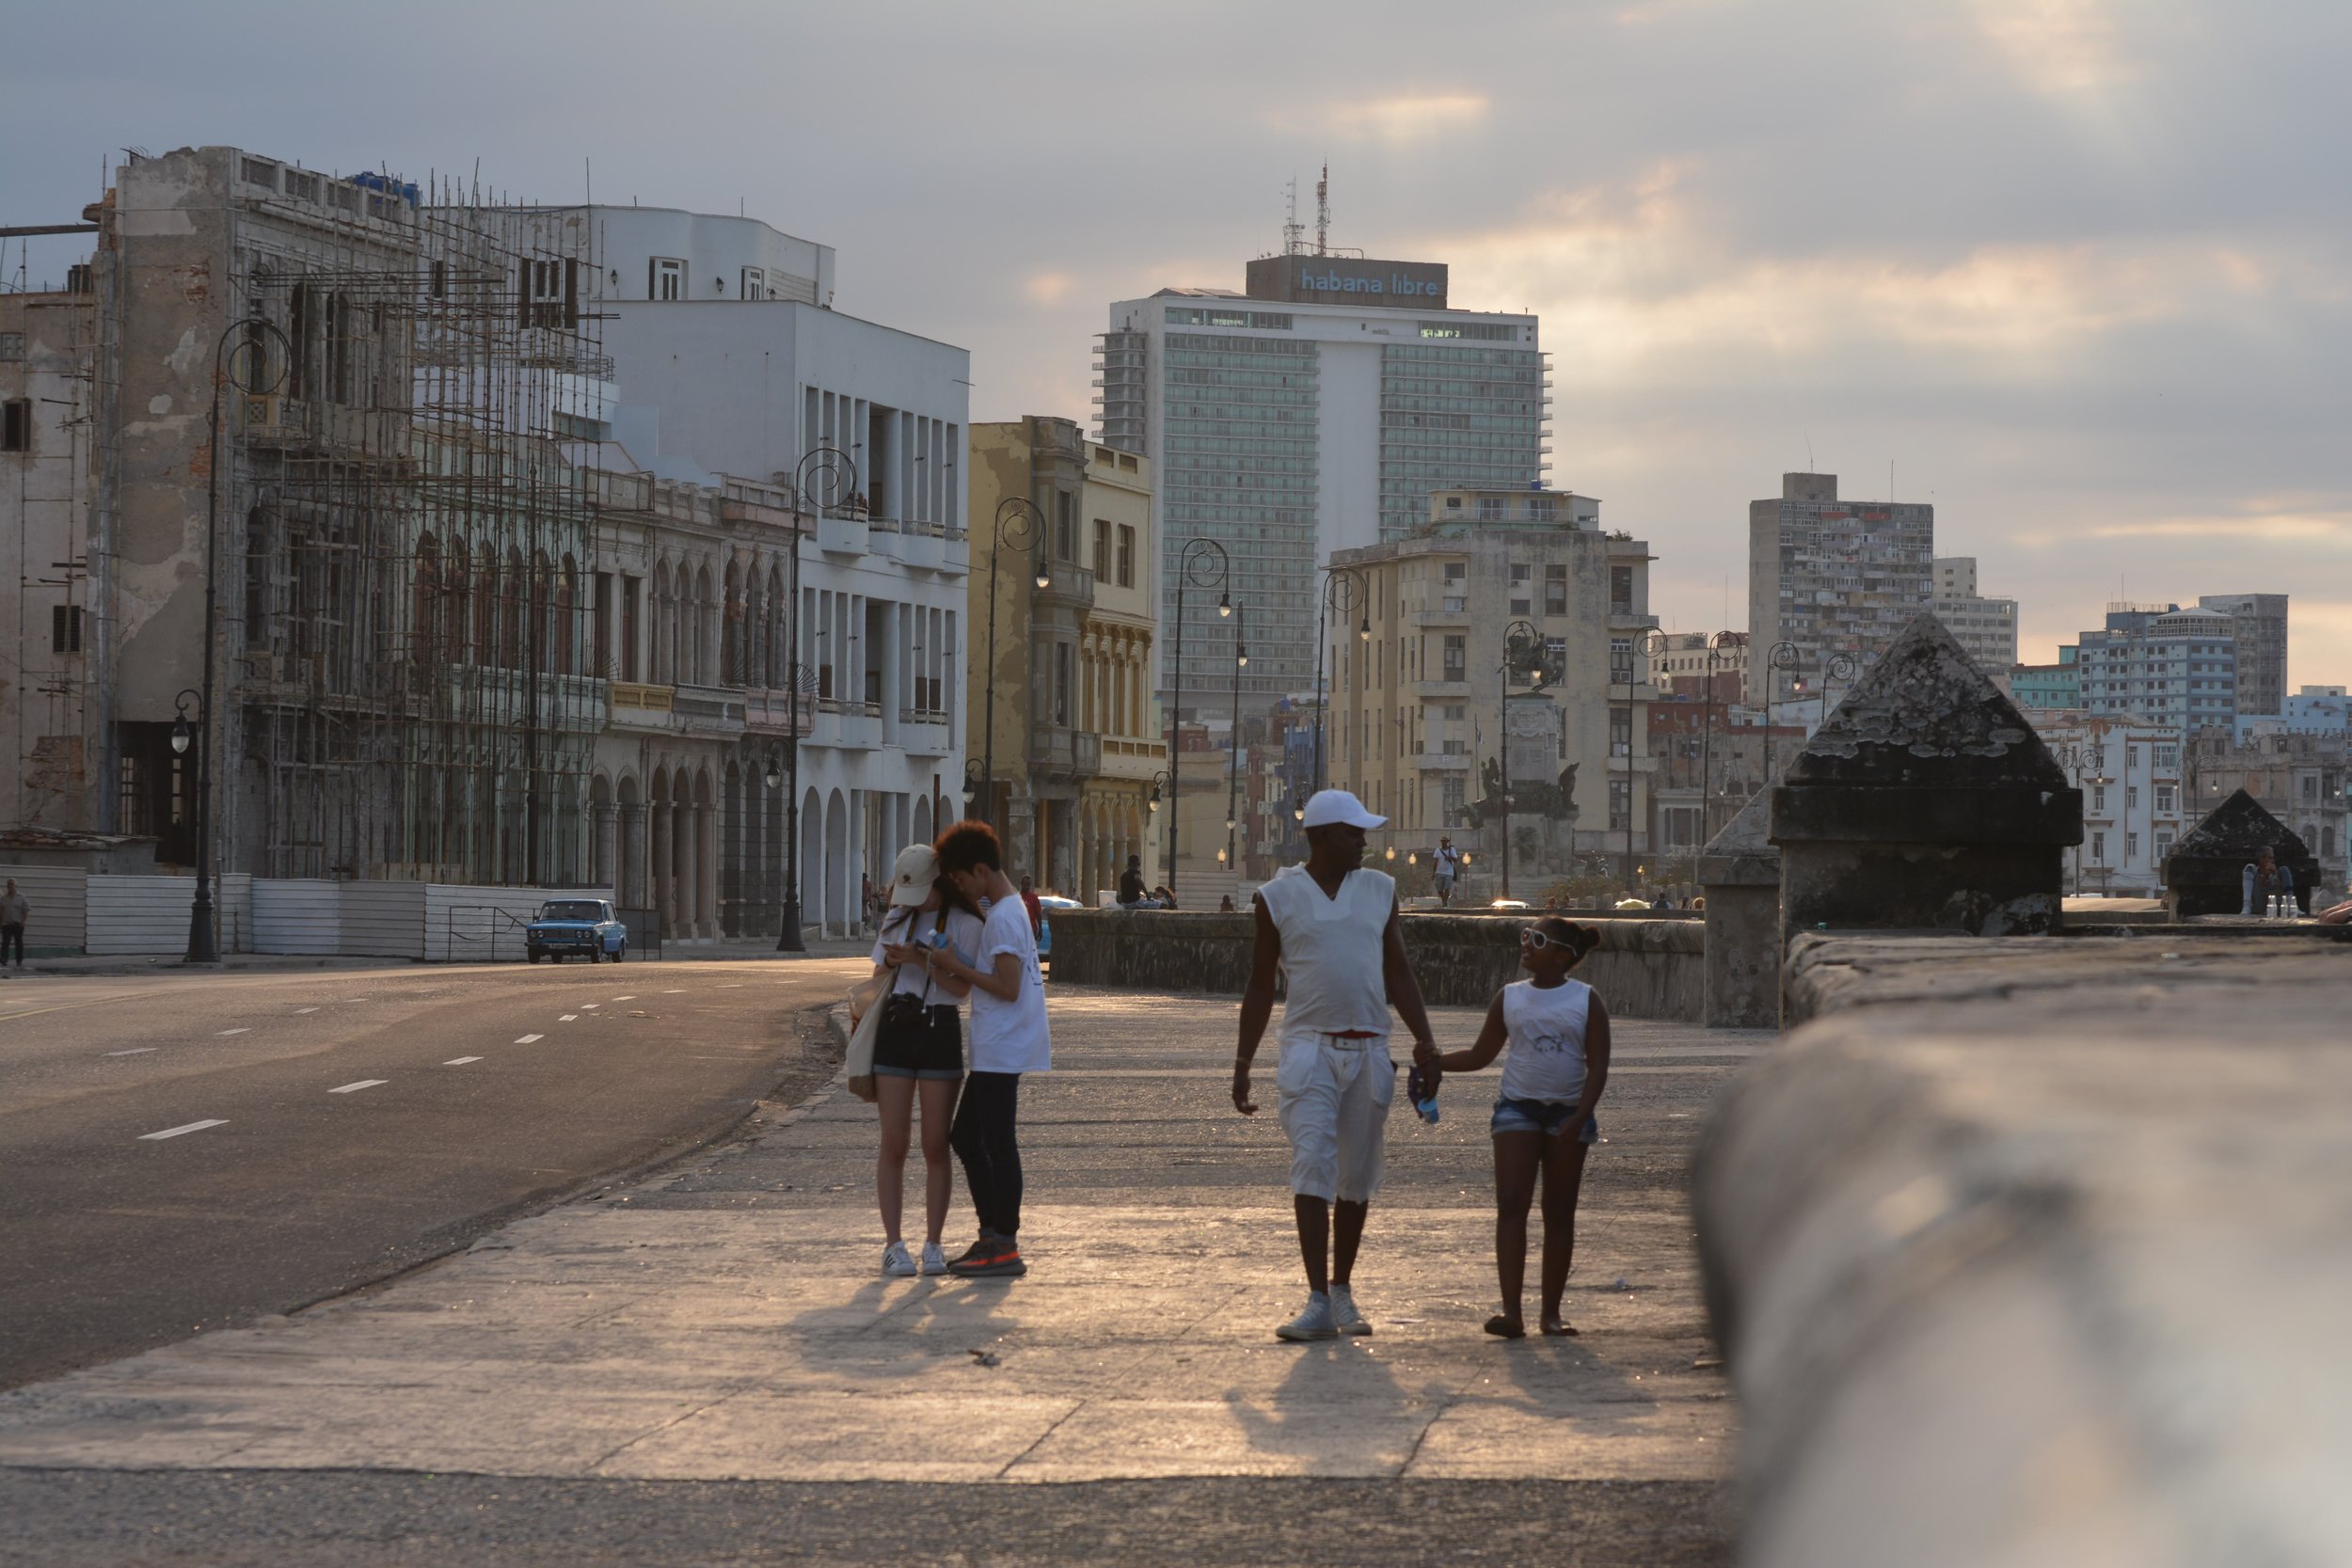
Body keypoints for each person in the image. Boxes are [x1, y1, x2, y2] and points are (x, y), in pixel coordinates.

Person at [1235, 788, 1438, 1342]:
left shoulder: (1380, 891)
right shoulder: (1277, 897)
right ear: (1321, 836)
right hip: (1309, 1048)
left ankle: (1342, 1287)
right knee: (1312, 1164)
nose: (1364, 843)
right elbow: (1259, 984)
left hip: (1371, 1049)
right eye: (1354, 833)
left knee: (1355, 1177)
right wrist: (1242, 1061)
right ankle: (1317, 1299)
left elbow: (1399, 973)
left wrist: (1426, 1042)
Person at [1415, 916, 1612, 1339]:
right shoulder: (1510, 997)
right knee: (1511, 1206)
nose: (1526, 944)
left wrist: (1581, 1115)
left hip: (1568, 1113)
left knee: (1559, 1213)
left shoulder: (1585, 1000)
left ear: (1562, 955)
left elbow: (1598, 1066)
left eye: (1537, 940)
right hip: (1516, 1110)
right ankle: (1511, 1312)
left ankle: (1551, 1314)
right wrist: (1435, 1062)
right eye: (1525, 937)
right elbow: (1482, 1054)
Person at [924, 820, 1051, 1278]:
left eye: (960, 880)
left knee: (997, 1144)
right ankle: (992, 1234)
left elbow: (1008, 986)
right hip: (999, 1045)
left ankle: (1004, 1242)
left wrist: (957, 964)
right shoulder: (1009, 909)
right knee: (968, 1138)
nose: (960, 889)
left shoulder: (1001, 916)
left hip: (1003, 1045)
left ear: (980, 870)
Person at [867, 845, 983, 1277]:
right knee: (894, 1143)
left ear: (941, 883)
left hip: (939, 1027)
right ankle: (893, 1244)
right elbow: (876, 978)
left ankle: (933, 1243)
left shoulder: (966, 923)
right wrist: (893, 965)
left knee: (936, 1143)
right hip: (896, 1027)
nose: (916, 904)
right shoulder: (897, 918)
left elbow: (962, 989)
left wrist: (923, 959)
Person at [2244, 847, 2296, 915]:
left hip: (2276, 907)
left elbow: (2275, 894)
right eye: (2269, 858)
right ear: (2261, 859)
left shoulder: (2275, 872)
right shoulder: (2255, 872)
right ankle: (2246, 906)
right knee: (2249, 867)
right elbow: (2261, 891)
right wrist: (2265, 877)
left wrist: (2273, 876)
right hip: (2259, 906)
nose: (2272, 861)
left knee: (2284, 869)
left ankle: (2291, 904)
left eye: (2273, 858)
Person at [0, 879, 25, 969]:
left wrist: (23, 921)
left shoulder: (21, 897)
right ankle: (4, 960)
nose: (9, 886)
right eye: (8, 884)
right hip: (6, 924)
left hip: (17, 924)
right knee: (5, 942)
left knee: (18, 942)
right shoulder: (3, 898)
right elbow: (1, 911)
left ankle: (19, 960)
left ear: (15, 886)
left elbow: (26, 909)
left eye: (11, 884)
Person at [1432, 837, 1460, 908]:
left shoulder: (1452, 850)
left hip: (1449, 872)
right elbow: (1435, 862)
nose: (1443, 842)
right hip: (1439, 872)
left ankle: (1444, 903)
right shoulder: (1438, 850)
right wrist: (1433, 873)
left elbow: (1456, 859)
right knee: (1439, 889)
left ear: (1447, 842)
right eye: (1442, 841)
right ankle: (1443, 900)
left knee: (1447, 888)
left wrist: (1450, 857)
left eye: (1445, 841)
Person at [1018, 874, 1044, 938]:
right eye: (1025, 884)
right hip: (1019, 929)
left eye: (1028, 884)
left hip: (1031, 930)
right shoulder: (1016, 897)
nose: (1027, 886)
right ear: (1021, 884)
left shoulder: (1034, 898)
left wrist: (1040, 929)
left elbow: (1038, 914)